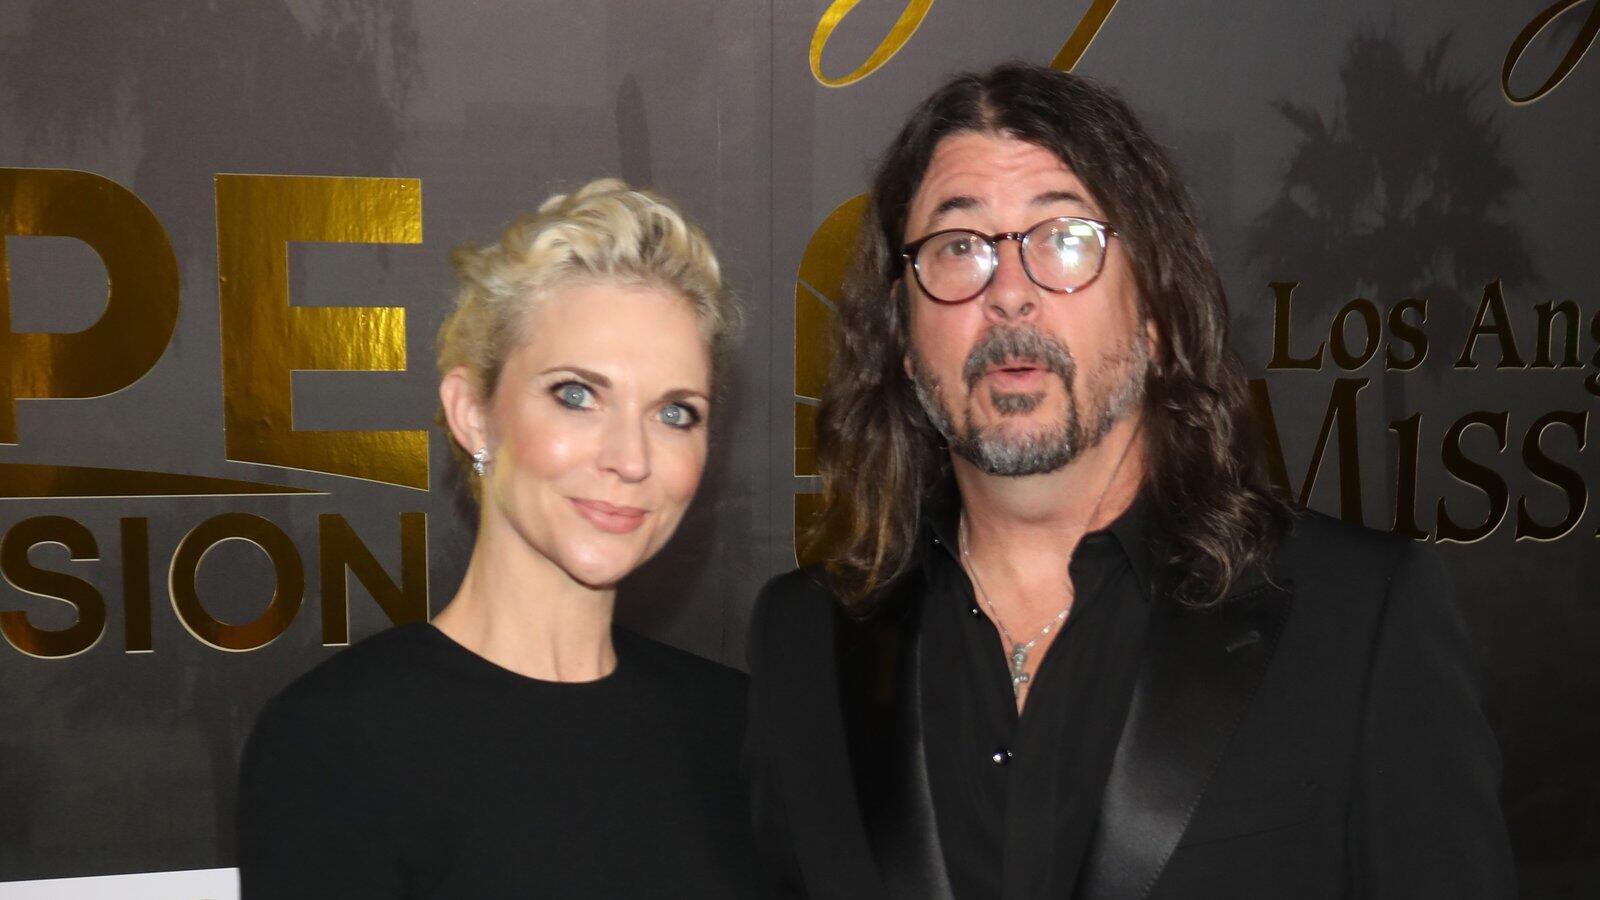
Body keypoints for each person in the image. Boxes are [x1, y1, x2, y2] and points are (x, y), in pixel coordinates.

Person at [745, 63, 1516, 898]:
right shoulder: (803, 640)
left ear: (1153, 310)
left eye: (1065, 239)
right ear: (902, 332)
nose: (1010, 294)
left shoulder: (1361, 617)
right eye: (959, 246)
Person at [238, 178, 764, 897]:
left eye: (675, 413)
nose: (631, 458)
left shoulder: (742, 730)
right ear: (473, 414)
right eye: (577, 395)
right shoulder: (336, 741)